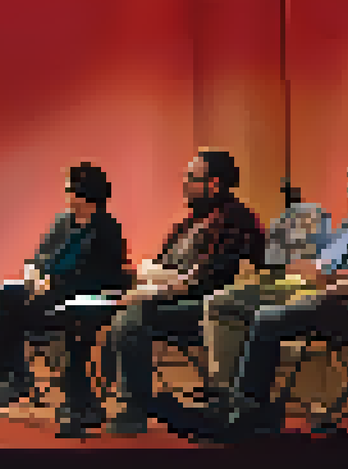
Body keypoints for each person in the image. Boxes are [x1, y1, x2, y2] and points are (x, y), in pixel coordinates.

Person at [210, 148, 348, 441]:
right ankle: (230, 396)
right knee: (227, 302)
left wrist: (336, 284)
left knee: (268, 319)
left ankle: (250, 412)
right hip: (324, 294)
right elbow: (323, 262)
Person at [0, 162, 132, 436]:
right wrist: (34, 275)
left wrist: (51, 284)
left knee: (29, 308)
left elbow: (100, 277)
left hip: (88, 301)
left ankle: (74, 400)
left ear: (82, 193)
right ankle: (8, 378)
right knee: (9, 294)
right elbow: (38, 258)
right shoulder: (63, 221)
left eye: (69, 189)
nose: (65, 194)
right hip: (51, 295)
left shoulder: (107, 229)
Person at [102, 149, 265, 434]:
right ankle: (96, 401)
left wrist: (153, 290)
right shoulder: (188, 223)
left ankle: (135, 407)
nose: (185, 184)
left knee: (131, 320)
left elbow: (204, 278)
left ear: (214, 183)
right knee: (110, 308)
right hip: (173, 301)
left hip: (214, 311)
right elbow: (161, 267)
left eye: (191, 178)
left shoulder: (236, 220)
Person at [196, 179, 331, 404]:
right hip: (298, 282)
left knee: (240, 308)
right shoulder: (204, 221)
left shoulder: (237, 218)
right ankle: (230, 396)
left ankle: (235, 400)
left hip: (324, 289)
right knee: (225, 303)